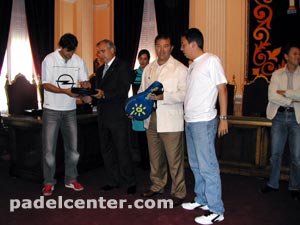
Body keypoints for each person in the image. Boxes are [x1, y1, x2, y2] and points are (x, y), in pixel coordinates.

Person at [180, 28, 228, 224]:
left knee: (208, 166)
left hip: (204, 121)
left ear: (193, 44)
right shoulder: (193, 65)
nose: (182, 49)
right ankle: (202, 200)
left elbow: (222, 89)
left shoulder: (211, 60)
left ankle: (216, 209)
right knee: (196, 165)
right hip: (190, 121)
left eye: (183, 45)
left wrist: (224, 118)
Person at [139, 34, 187, 207]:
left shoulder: (180, 69)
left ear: (171, 47)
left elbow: (185, 94)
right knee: (155, 157)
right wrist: (135, 108)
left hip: (171, 119)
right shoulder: (148, 68)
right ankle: (157, 185)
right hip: (151, 118)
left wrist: (163, 97)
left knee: (174, 159)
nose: (161, 50)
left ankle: (179, 191)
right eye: (158, 46)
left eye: (165, 46)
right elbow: (141, 91)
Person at [41, 33, 91, 196]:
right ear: (61, 47)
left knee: (73, 150)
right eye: (67, 51)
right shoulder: (49, 60)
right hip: (51, 110)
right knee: (49, 150)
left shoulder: (79, 61)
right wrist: (65, 91)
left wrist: (85, 88)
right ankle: (49, 182)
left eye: (72, 51)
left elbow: (84, 81)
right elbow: (46, 85)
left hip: (70, 111)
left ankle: (71, 179)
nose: (70, 54)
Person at [93, 39, 136, 195]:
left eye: (102, 51)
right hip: (103, 116)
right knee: (107, 150)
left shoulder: (123, 66)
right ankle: (113, 180)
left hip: (118, 116)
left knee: (122, 150)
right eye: (99, 51)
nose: (100, 54)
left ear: (112, 50)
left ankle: (130, 181)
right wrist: (89, 92)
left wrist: (105, 95)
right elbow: (97, 92)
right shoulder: (99, 70)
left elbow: (123, 91)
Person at [261, 42, 300, 200]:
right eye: (295, 54)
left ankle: (295, 186)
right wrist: (292, 98)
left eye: (298, 54)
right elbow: (272, 96)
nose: (298, 57)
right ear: (286, 57)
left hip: (296, 118)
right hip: (279, 116)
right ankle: (273, 184)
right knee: (275, 154)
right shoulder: (277, 74)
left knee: (296, 157)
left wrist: (285, 93)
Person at [130, 49, 150, 170]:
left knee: (149, 137)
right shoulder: (133, 73)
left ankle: (149, 161)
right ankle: (143, 161)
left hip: (148, 107)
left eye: (145, 58)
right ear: (138, 59)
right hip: (137, 107)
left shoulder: (151, 72)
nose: (143, 61)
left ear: (148, 60)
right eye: (141, 58)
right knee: (139, 137)